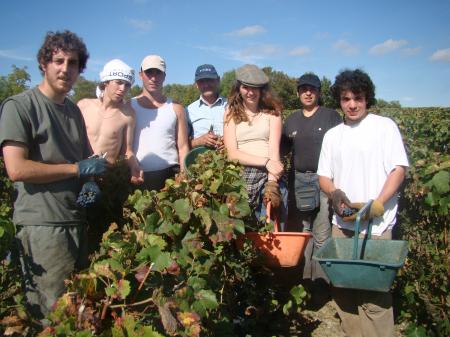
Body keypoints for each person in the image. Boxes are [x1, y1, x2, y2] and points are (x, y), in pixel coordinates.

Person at [0, 30, 108, 322]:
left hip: (75, 220)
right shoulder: (20, 106)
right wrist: (76, 170)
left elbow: (86, 160)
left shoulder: (73, 111)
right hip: (43, 226)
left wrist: (89, 181)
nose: (65, 68)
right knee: (49, 317)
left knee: (76, 312)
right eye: (58, 60)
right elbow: (17, 169)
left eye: (72, 63)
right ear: (43, 64)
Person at [317, 69, 409, 337]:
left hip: (376, 226)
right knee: (344, 291)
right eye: (346, 99)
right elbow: (324, 176)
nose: (352, 104)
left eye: (357, 97)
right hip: (343, 223)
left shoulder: (384, 127)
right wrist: (335, 196)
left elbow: (398, 169)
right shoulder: (333, 135)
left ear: (367, 98)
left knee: (374, 296)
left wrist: (378, 203)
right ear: (340, 101)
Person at [282, 73, 342, 285]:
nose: (308, 93)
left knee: (322, 232)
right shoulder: (291, 120)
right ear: (298, 93)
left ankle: (321, 284)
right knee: (303, 232)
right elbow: (282, 151)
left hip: (324, 181)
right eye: (304, 89)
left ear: (318, 92)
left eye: (312, 89)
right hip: (299, 182)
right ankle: (304, 280)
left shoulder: (331, 117)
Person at [223, 64, 287, 227]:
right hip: (240, 175)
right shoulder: (230, 113)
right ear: (239, 88)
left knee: (271, 226)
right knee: (243, 228)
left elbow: (274, 151)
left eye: (255, 88)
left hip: (268, 174)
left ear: (262, 90)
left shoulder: (273, 113)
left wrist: (272, 184)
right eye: (246, 87)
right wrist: (265, 162)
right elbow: (232, 153)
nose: (250, 93)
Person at [77, 59, 142, 184]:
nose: (122, 88)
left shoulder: (128, 114)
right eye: (118, 82)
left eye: (127, 85)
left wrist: (134, 166)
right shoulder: (83, 106)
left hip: (105, 179)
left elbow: (127, 151)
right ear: (106, 82)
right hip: (78, 176)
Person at [131, 54, 190, 191]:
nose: (153, 78)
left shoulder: (177, 108)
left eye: (158, 73)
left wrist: (184, 176)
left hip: (170, 176)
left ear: (164, 76)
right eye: (149, 72)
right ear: (140, 75)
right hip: (138, 178)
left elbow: (183, 147)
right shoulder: (129, 107)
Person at [186, 64, 227, 149]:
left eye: (210, 80)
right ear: (196, 84)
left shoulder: (231, 106)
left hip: (231, 159)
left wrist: (228, 141)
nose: (206, 85)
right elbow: (182, 145)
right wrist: (199, 141)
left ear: (218, 80)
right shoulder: (188, 111)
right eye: (202, 81)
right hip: (200, 160)